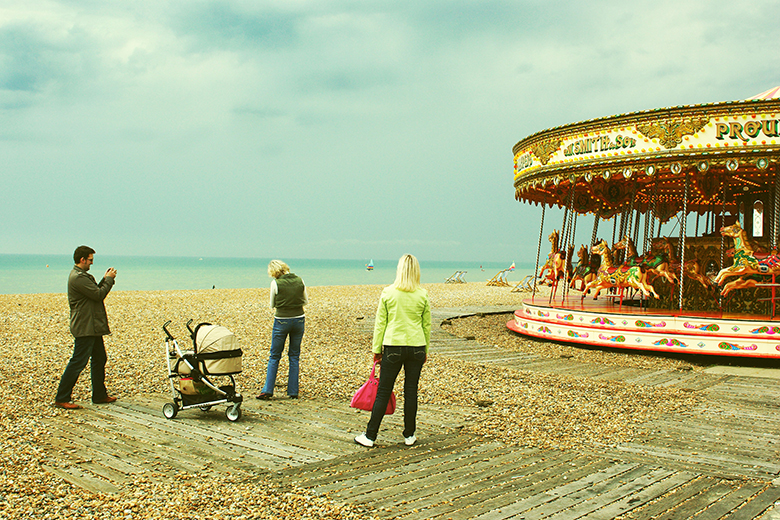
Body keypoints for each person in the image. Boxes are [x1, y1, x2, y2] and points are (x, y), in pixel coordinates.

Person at [355, 254, 431, 448]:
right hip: (416, 346)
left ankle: (370, 436)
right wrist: (425, 349)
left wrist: (376, 349)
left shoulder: (388, 292)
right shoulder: (422, 294)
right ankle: (409, 435)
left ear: (399, 270)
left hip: (393, 345)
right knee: (411, 391)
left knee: (383, 391)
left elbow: (381, 324)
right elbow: (426, 325)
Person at [54, 246, 118, 410]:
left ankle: (99, 395)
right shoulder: (78, 277)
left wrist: (105, 279)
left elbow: (95, 291)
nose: (91, 263)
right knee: (78, 361)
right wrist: (109, 280)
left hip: (91, 325)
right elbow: (98, 295)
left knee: (99, 358)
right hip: (85, 326)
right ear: (82, 259)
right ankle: (62, 397)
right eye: (90, 260)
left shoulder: (81, 276)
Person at [257, 260, 308, 400]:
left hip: (282, 320)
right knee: (294, 356)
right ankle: (293, 391)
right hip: (299, 319)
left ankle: (267, 390)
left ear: (274, 272)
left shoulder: (275, 283)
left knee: (274, 355)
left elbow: (272, 304)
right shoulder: (300, 280)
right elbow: (305, 301)